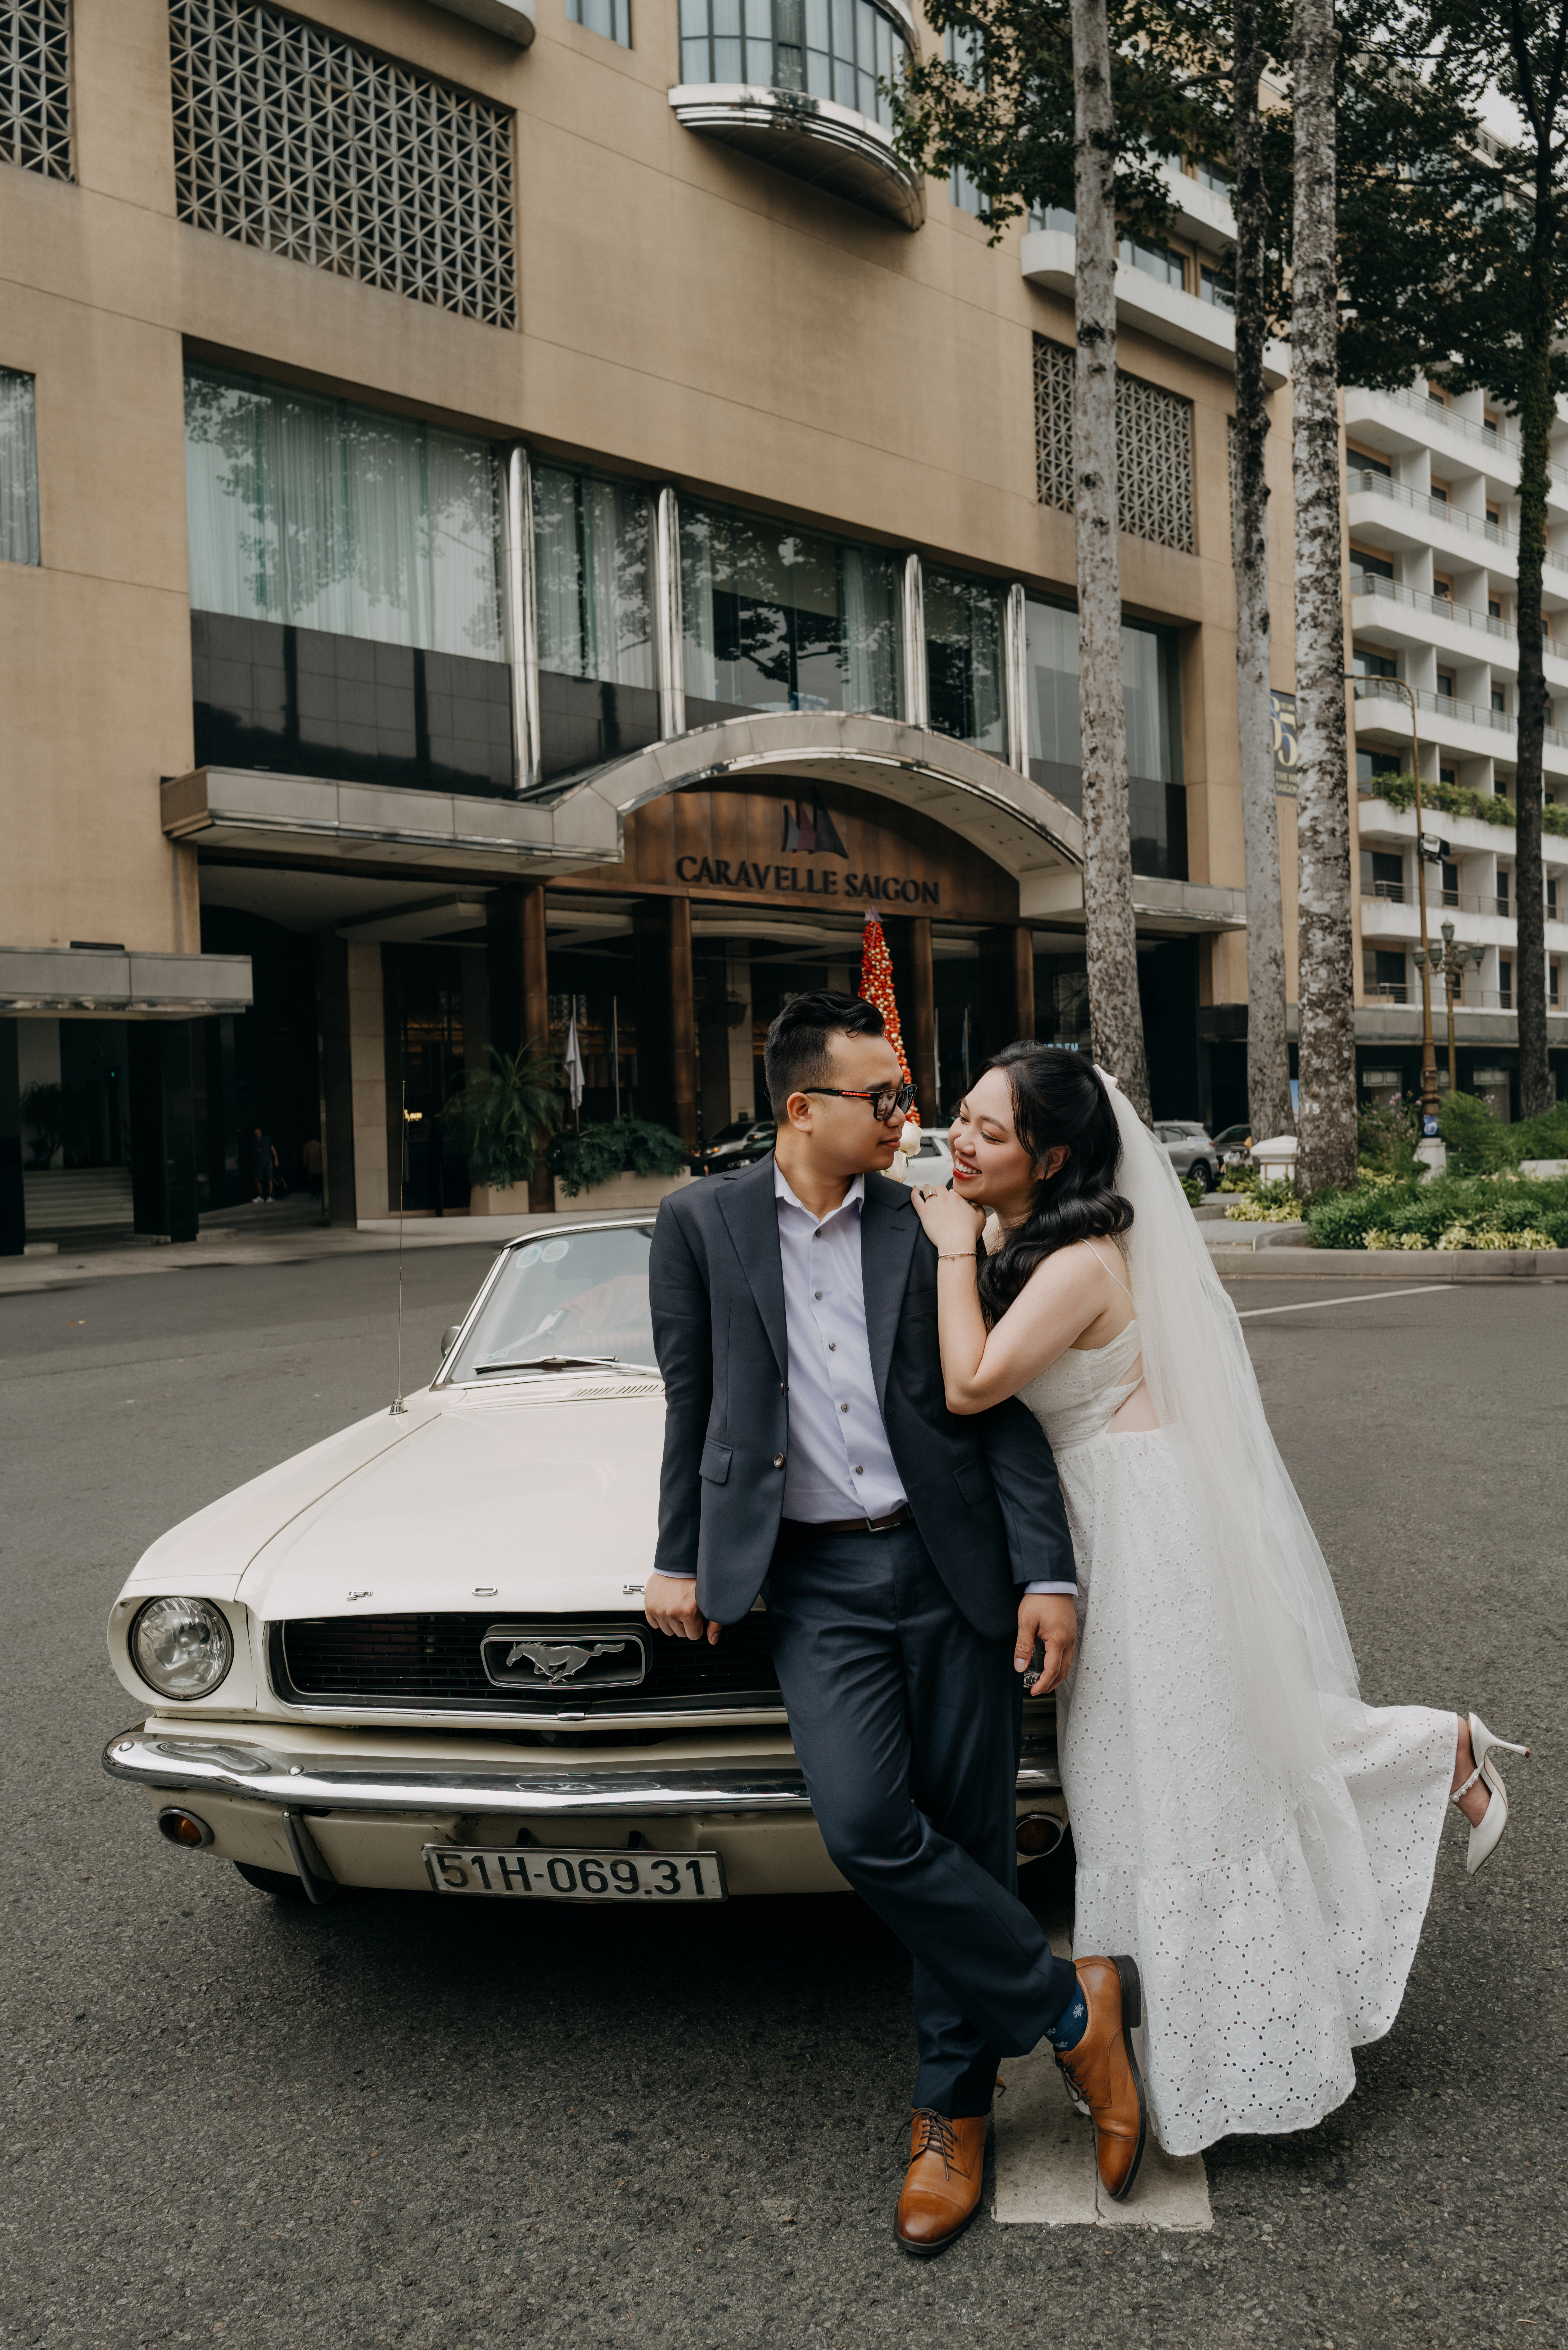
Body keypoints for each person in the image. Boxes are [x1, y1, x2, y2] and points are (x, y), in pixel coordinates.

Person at [910, 1045, 1531, 2158]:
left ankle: (1433, 1760)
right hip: (1097, 1523)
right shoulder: (1029, 1239)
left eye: (987, 1131)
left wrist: (952, 1244)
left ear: (1048, 1159)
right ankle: (1435, 1757)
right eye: (959, 1118)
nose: (958, 1140)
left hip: (1144, 1529)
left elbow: (971, 1382)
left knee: (1198, 1781)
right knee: (1151, 1780)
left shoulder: (1080, 1262)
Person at [644, 994, 1148, 2255]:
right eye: (881, 1096)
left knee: (973, 1841)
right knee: (868, 1824)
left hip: (948, 1566)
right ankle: (1070, 2009)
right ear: (800, 1106)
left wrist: (1047, 1573)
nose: (905, 1114)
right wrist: (673, 1556)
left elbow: (1000, 1413)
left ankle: (950, 2114)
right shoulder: (697, 1224)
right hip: (812, 1581)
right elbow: (690, 1399)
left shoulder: (934, 1221)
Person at [250, 1126, 278, 1205]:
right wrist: (257, 1152)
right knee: (258, 1179)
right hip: (259, 1163)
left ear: (261, 1132)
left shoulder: (267, 1139)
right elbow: (253, 1154)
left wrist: (276, 1159)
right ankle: (261, 1196)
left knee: (270, 1178)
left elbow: (273, 1148)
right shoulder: (255, 1142)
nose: (258, 1135)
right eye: (257, 1134)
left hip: (268, 1162)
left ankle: (271, 1196)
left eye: (259, 1133)